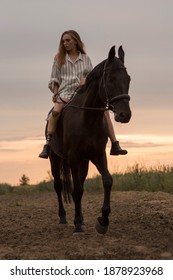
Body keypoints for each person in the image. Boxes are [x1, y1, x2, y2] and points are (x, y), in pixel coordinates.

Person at [39, 30, 127, 159]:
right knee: (56, 111)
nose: (65, 43)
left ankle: (115, 144)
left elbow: (92, 77)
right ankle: (48, 144)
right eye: (63, 41)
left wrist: (86, 81)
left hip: (84, 93)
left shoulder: (86, 59)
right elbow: (54, 79)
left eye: (68, 40)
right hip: (66, 92)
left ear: (76, 41)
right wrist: (56, 92)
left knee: (105, 112)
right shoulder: (59, 58)